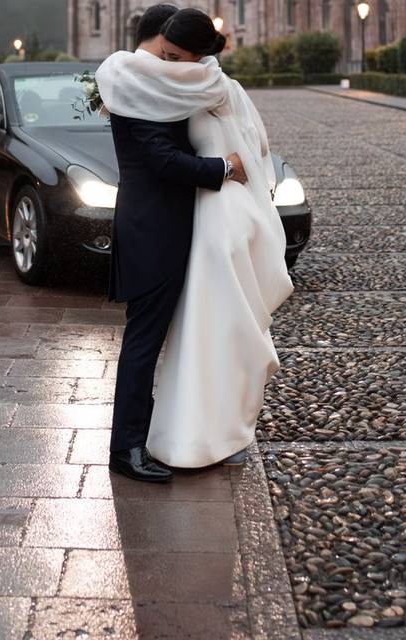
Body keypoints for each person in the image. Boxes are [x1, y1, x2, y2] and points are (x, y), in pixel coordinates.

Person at [97, 8, 294, 473]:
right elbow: (163, 160)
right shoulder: (133, 90)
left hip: (181, 229)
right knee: (144, 343)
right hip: (153, 233)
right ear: (151, 39)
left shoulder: (175, 87)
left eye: (180, 57)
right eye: (167, 54)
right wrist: (223, 167)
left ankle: (187, 433)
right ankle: (126, 448)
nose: (171, 64)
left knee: (190, 339)